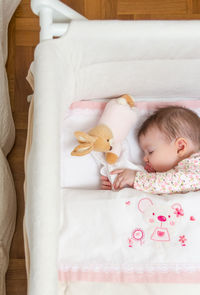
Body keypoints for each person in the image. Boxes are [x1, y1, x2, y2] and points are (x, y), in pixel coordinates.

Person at [101, 105, 200, 194]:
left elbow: (169, 183)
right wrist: (120, 185)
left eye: (151, 151)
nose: (145, 159)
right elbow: (159, 192)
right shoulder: (169, 179)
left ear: (180, 147)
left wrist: (136, 179)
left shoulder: (195, 167)